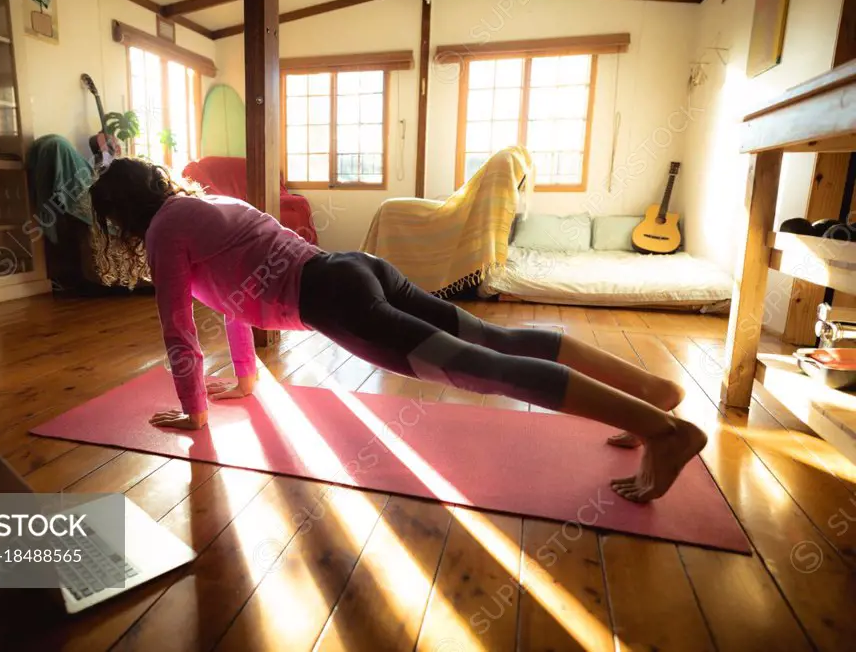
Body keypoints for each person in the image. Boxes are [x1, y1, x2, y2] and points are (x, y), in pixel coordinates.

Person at [89, 158, 707, 503]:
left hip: (334, 300)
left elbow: (176, 327)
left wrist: (193, 411)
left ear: (123, 215)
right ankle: (654, 391)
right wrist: (247, 378)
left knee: (479, 369)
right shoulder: (207, 205)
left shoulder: (164, 232)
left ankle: (666, 431)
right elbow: (235, 295)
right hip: (356, 268)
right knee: (500, 342)